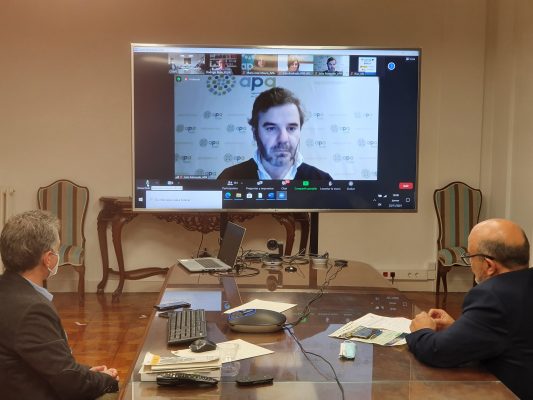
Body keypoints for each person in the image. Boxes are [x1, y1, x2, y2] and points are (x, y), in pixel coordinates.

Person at [407, 218, 533, 399]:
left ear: (489, 266)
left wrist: (422, 330)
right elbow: (509, 334)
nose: (470, 264)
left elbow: (438, 352)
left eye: (470, 257)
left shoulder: (492, 296)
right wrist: (458, 328)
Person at [0, 210, 120, 400]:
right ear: (48, 258)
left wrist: (85, 373)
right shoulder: (32, 310)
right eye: (56, 250)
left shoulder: (7, 290)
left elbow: (45, 362)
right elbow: (70, 384)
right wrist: (105, 380)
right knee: (115, 391)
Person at [217, 87, 332, 180]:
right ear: (255, 133)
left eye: (291, 128)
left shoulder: (322, 181)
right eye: (271, 128)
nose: (283, 139)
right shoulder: (229, 178)